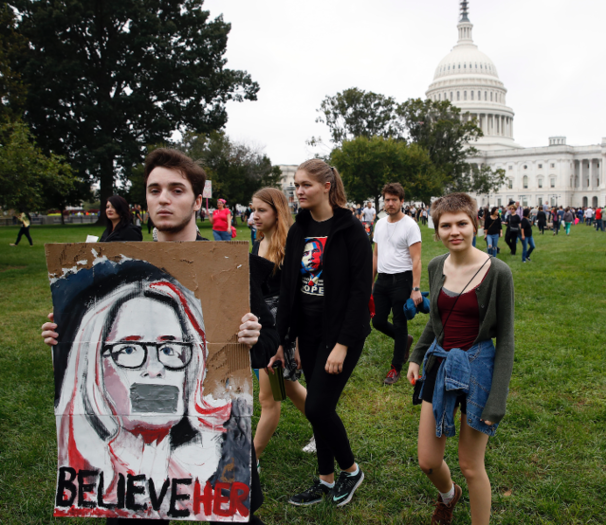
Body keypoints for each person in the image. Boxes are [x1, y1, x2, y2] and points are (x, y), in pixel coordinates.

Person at [41, 148, 274, 525]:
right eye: (154, 190)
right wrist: (63, 337)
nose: (163, 198)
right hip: (129, 466)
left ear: (198, 201)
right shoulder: (110, 265)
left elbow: (268, 347)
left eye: (176, 190)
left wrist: (253, 336)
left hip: (214, 448)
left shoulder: (229, 267)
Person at [269, 159, 372, 507]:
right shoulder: (299, 230)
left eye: (305, 185)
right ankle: (326, 480)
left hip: (341, 334)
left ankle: (351, 470)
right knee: (319, 407)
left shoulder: (352, 230)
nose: (298, 191)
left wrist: (342, 345)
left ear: (326, 186)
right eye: (296, 185)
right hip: (308, 332)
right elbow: (290, 288)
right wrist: (285, 340)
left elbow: (361, 293)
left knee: (317, 406)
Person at [406, 193, 514, 525]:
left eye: (462, 223)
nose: (455, 231)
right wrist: (416, 355)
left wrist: (496, 400)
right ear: (436, 230)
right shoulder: (437, 266)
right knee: (427, 461)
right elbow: (438, 320)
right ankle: (449, 495)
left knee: (470, 465)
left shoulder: (498, 272)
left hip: (478, 368)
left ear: (475, 225)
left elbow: (506, 339)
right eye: (446, 225)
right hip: (439, 365)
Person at [249, 187, 311, 461]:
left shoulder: (289, 246)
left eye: (262, 210)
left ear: (278, 211)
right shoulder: (258, 242)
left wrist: (291, 341)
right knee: (287, 388)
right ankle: (326, 428)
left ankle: (251, 460)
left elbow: (296, 298)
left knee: (268, 399)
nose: (255, 215)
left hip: (281, 327)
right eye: (253, 209)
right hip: (262, 323)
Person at [371, 183, 423, 385]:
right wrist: (370, 282)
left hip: (402, 280)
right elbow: (375, 254)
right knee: (378, 321)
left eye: (394, 200)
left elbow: (416, 259)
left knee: (400, 323)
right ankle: (405, 341)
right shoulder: (380, 224)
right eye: (387, 199)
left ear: (402, 201)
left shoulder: (410, 225)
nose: (390, 203)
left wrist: (415, 289)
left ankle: (395, 368)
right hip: (382, 280)